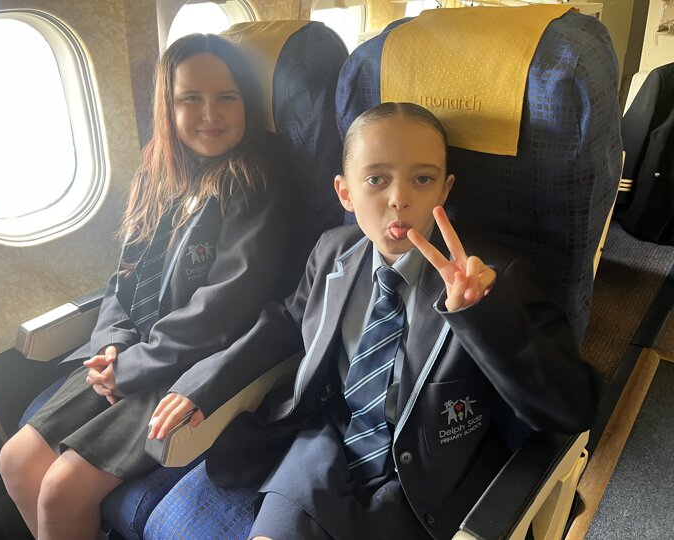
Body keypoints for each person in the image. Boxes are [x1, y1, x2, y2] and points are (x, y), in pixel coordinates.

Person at [146, 102, 600, 540]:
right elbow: (286, 322)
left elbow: (570, 409)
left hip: (426, 481)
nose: (399, 199)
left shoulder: (491, 278)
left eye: (422, 179)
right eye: (377, 179)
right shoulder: (333, 251)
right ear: (345, 192)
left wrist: (483, 315)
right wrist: (205, 382)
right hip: (324, 449)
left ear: (445, 190)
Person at [0, 33, 296, 540]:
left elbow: (226, 306)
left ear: (246, 102)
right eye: (191, 98)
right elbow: (127, 274)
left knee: (61, 490)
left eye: (227, 97)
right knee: (15, 461)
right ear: (167, 106)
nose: (211, 113)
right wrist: (111, 344)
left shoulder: (253, 179)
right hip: (133, 351)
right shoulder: (158, 171)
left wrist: (132, 368)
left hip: (188, 362)